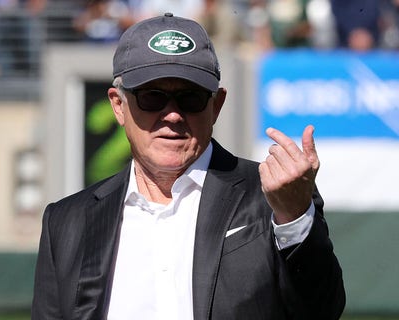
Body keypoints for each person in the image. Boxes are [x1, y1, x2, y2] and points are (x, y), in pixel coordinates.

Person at [31, 13, 345, 320]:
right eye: (152, 97)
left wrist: (293, 219)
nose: (172, 115)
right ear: (118, 105)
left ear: (216, 105)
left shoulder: (273, 199)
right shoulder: (67, 222)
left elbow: (322, 309)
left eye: (190, 98)